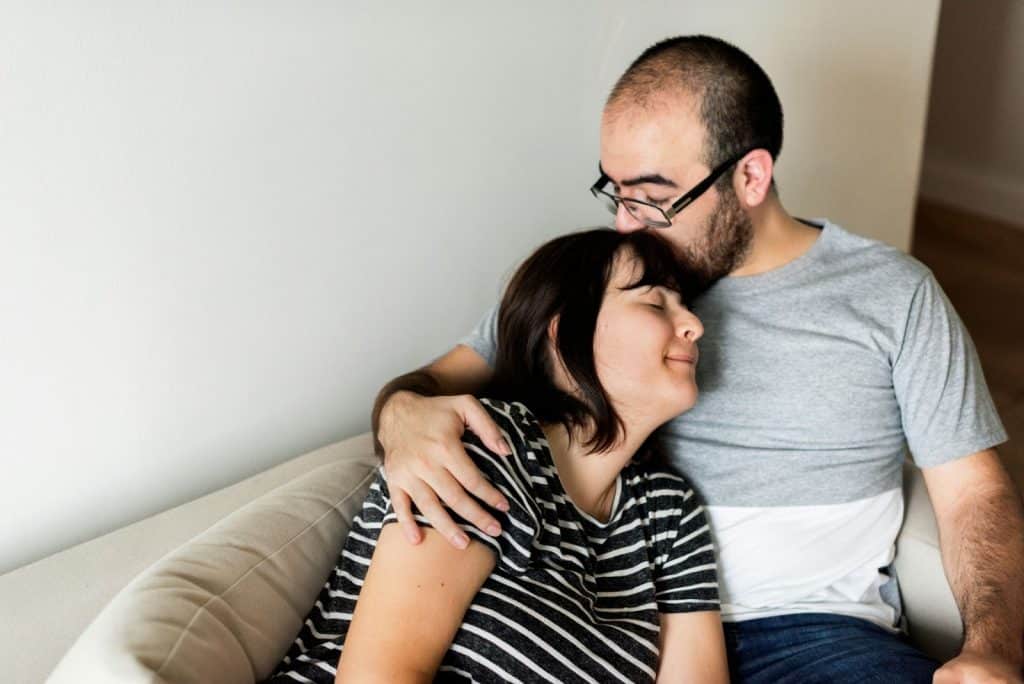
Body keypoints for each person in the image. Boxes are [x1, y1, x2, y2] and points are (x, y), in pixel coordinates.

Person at [373, 35, 1024, 683]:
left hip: (816, 640)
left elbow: (974, 495)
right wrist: (400, 415)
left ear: (750, 176)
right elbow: (432, 384)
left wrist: (994, 648)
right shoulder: (605, 293)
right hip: (612, 633)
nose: (629, 223)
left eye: (653, 194)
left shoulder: (892, 295)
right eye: (616, 191)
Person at [269, 229, 729, 683]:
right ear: (566, 330)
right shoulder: (487, 443)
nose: (694, 324)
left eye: (683, 306)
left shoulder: (668, 512)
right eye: (654, 303)